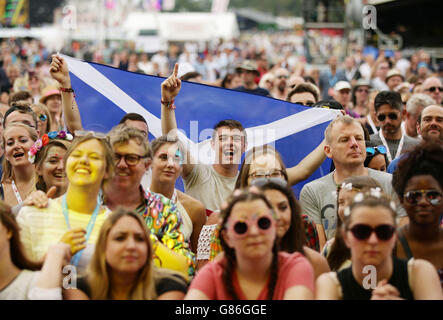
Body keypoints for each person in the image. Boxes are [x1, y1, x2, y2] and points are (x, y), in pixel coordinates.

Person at [299, 115, 406, 250]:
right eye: (345, 140)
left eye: (359, 138)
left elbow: (402, 242)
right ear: (328, 151)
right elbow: (319, 251)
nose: (354, 143)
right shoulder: (312, 191)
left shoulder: (391, 183)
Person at [185, 190, 315, 300]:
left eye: (263, 223)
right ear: (227, 237)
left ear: (275, 227)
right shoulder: (213, 274)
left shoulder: (295, 267)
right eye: (241, 227)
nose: (254, 232)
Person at [316, 190, 443, 300]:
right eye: (361, 231)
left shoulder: (419, 272)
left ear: (395, 235)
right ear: (346, 237)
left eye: (383, 231)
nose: (373, 240)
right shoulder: (330, 284)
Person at [16, 132, 115, 273]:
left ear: (107, 171)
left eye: (94, 157)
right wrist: (54, 256)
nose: (84, 160)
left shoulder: (115, 225)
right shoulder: (32, 214)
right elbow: (16, 279)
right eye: (76, 155)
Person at [104, 125, 194, 278]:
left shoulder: (163, 209)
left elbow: (186, 267)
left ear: (146, 165)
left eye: (131, 158)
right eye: (116, 157)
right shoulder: (90, 203)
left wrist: (145, 240)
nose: (122, 164)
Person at [64, 208, 188, 300]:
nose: (131, 246)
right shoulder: (78, 286)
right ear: (103, 247)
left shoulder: (171, 285)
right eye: (120, 238)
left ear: (149, 249)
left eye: (139, 239)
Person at [253, 178, 330, 279]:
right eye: (268, 208)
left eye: (283, 207)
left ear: (292, 211)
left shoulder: (315, 262)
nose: (278, 216)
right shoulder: (236, 262)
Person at [392, 142, 443, 289]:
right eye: (413, 196)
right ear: (401, 200)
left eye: (433, 195)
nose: (424, 202)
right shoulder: (388, 246)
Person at [149, 135, 206, 254]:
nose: (170, 164)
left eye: (176, 158)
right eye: (163, 157)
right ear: (150, 162)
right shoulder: (133, 203)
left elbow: (200, 263)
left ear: (181, 167)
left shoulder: (194, 209)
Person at [322, 176, 382, 271]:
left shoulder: (387, 246)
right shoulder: (331, 247)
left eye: (353, 202)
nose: (345, 209)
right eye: (341, 202)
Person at [388, 104, 443, 173]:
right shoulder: (399, 164)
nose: (433, 123)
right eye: (427, 119)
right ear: (418, 127)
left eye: (439, 120)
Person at [369, 91, 419, 164]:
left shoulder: (416, 147)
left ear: (403, 113)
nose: (387, 121)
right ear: (376, 116)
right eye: (382, 117)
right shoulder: (368, 144)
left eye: (392, 116)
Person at [1, 123, 38, 207]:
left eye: (23, 140)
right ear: (5, 153)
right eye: (10, 143)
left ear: (36, 145)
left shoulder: (48, 181)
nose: (16, 146)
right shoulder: (1, 190)